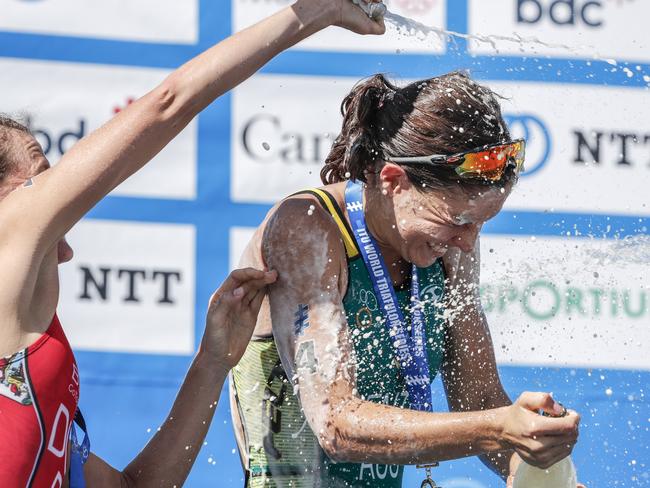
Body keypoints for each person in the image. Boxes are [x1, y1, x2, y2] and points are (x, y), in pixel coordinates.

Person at [0, 1, 385, 486]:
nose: (58, 203)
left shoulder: (35, 354)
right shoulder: (7, 233)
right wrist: (317, 11)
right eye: (39, 181)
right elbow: (168, 103)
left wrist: (212, 361)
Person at [230, 72, 583, 487]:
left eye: (481, 225)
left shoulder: (447, 242)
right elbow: (335, 423)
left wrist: (531, 463)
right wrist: (498, 427)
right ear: (393, 181)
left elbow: (479, 399)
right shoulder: (306, 229)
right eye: (460, 221)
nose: (467, 244)